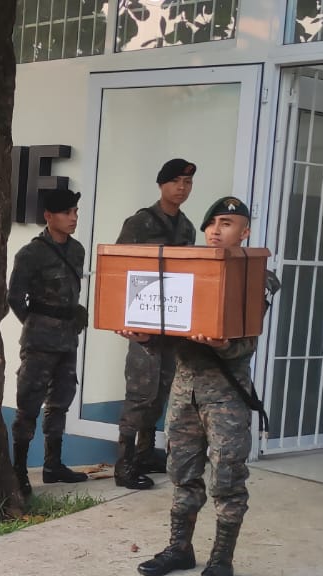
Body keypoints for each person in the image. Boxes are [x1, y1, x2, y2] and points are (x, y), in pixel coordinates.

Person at [137, 196, 278, 576]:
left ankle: (221, 561)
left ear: (245, 231)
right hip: (184, 390)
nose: (216, 230)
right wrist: (145, 336)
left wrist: (221, 344)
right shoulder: (188, 272)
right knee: (181, 472)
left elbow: (245, 344)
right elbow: (168, 330)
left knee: (228, 479)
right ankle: (179, 548)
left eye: (227, 222)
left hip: (225, 396)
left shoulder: (257, 278)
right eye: (211, 223)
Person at [114, 158, 199, 490]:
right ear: (162, 184)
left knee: (162, 391)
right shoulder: (139, 223)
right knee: (140, 394)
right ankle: (123, 466)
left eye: (188, 183)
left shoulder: (188, 228)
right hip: (143, 324)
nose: (182, 188)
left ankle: (146, 454)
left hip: (172, 325)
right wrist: (124, 322)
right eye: (176, 181)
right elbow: (118, 271)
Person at [7, 188, 90, 493]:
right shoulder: (31, 254)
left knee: (60, 401)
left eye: (75, 212)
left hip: (68, 339)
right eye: (67, 213)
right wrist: (36, 323)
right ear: (48, 216)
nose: (73, 218)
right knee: (28, 403)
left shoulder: (78, 250)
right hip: (40, 341)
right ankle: (19, 469)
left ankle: (53, 465)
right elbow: (15, 297)